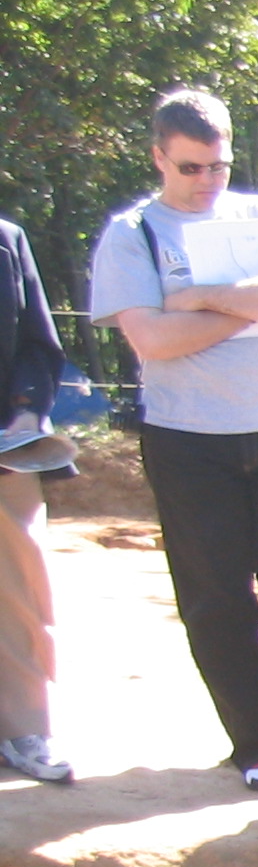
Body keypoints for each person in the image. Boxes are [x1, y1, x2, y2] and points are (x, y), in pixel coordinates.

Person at [89, 87, 258, 794]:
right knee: (218, 601)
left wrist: (202, 299)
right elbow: (151, 338)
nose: (208, 182)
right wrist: (247, 304)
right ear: (158, 158)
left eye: (219, 166)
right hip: (187, 440)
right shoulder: (131, 235)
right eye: (191, 168)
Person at [0, 217, 71, 783]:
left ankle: (26, 730)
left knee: (19, 591)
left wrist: (25, 420)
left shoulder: (8, 238)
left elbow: (37, 345)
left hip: (5, 446)